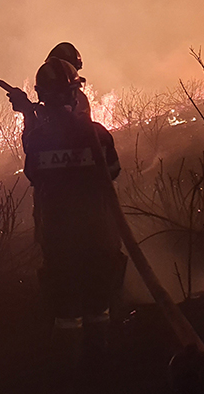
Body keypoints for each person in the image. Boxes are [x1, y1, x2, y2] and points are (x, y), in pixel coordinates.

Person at [12, 57, 126, 367]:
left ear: (42, 96)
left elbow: (34, 174)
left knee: (65, 312)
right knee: (99, 304)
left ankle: (68, 374)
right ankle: (101, 366)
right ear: (75, 93)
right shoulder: (98, 134)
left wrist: (27, 115)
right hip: (98, 233)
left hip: (59, 238)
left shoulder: (38, 139)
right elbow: (112, 171)